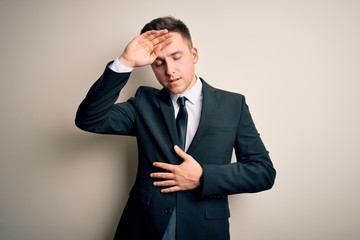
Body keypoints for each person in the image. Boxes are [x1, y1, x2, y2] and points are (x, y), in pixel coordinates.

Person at [75, 16, 276, 240]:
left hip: (204, 230)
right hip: (144, 227)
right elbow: (89, 119)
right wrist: (125, 62)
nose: (169, 70)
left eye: (176, 57)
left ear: (194, 54)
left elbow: (263, 172)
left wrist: (203, 176)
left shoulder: (233, 105)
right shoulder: (144, 103)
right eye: (159, 63)